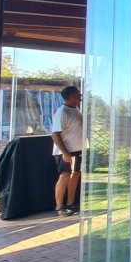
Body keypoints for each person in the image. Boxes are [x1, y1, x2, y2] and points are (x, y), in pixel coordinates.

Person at [51, 85, 83, 217]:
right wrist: (65, 152)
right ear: (72, 96)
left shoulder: (76, 110)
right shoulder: (62, 112)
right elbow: (55, 134)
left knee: (75, 174)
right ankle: (59, 207)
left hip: (77, 150)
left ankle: (70, 204)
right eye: (78, 94)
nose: (80, 97)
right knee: (65, 176)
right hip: (65, 151)